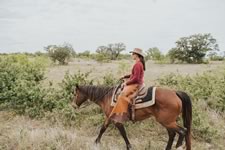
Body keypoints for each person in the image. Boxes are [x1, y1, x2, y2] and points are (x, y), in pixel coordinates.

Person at [109, 48, 146, 123]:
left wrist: (126, 83)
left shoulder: (138, 64)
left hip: (136, 84)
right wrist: (125, 76)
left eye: (133, 54)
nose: (132, 55)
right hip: (135, 82)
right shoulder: (138, 63)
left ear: (137, 55)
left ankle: (123, 115)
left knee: (121, 95)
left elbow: (135, 78)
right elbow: (133, 75)